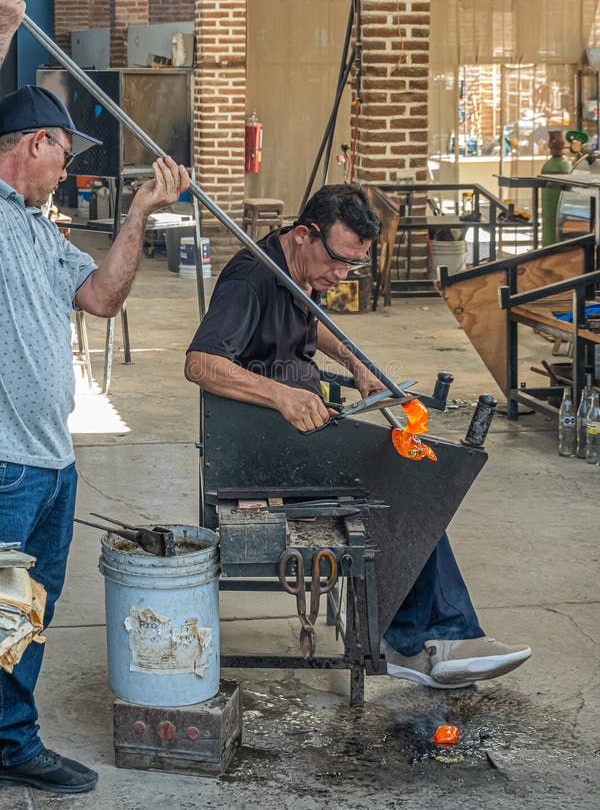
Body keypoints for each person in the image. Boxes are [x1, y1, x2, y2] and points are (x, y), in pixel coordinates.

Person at [185, 183, 532, 690]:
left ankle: (423, 638)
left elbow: (311, 322)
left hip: (302, 432)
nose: (341, 276)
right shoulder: (252, 276)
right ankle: (424, 641)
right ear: (305, 235)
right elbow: (202, 364)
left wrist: (354, 360)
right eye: (337, 262)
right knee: (405, 481)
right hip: (264, 448)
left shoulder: (296, 265)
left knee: (414, 471)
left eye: (353, 265)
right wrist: (282, 396)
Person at [0, 70, 190, 790]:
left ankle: (11, 743)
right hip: (6, 462)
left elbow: (102, 297)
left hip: (51, 461)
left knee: (25, 618)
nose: (67, 171)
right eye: (65, 157)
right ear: (37, 143)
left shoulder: (36, 231)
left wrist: (140, 210)